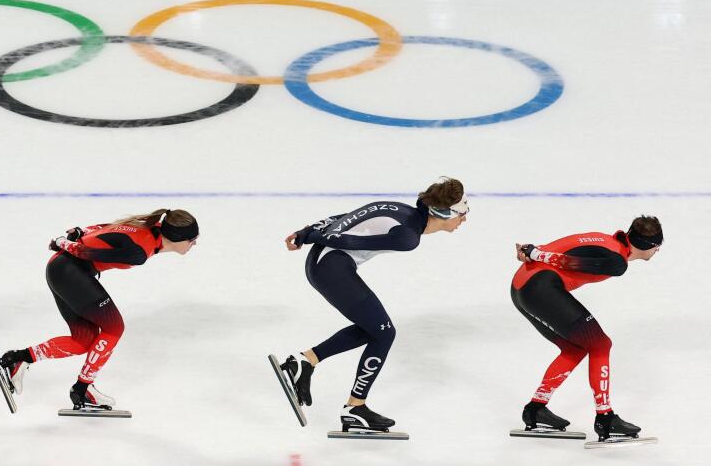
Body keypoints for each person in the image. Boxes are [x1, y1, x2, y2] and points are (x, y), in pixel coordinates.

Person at [281, 178, 468, 433]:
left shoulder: (400, 210)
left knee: (376, 329)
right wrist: (312, 235)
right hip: (331, 269)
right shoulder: (408, 237)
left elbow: (343, 218)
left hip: (325, 264)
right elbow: (350, 241)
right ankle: (355, 408)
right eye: (462, 213)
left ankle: (305, 361)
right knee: (385, 333)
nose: (464, 219)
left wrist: (307, 232)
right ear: (443, 213)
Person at [0, 209, 198, 410]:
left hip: (62, 270)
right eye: (192, 240)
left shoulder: (150, 228)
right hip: (69, 272)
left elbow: (104, 228)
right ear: (178, 238)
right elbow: (85, 253)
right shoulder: (140, 251)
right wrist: (62, 242)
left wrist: (80, 232)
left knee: (83, 340)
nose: (194, 244)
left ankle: (17, 359)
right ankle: (82, 388)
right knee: (115, 328)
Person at [511, 215, 662, 441]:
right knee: (600, 345)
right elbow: (570, 262)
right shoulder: (617, 261)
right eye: (658, 246)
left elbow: (561, 247)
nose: (658, 250)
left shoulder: (605, 241)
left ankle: (536, 409)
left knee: (575, 348)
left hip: (521, 288)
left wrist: (532, 251)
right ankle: (605, 418)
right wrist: (535, 254)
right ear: (648, 245)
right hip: (539, 288)